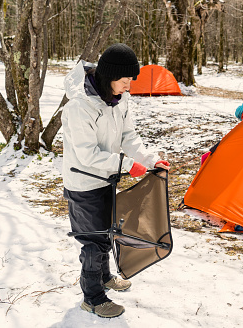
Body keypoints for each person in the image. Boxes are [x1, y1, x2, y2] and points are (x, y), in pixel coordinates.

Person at [61, 43, 170, 318]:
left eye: (130, 81)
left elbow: (128, 137)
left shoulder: (119, 100)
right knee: (93, 241)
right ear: (109, 76)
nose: (128, 87)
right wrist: (124, 164)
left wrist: (148, 159)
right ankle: (93, 297)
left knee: (108, 232)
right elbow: (86, 155)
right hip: (84, 183)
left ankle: (105, 276)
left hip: (106, 179)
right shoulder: (79, 108)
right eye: (125, 81)